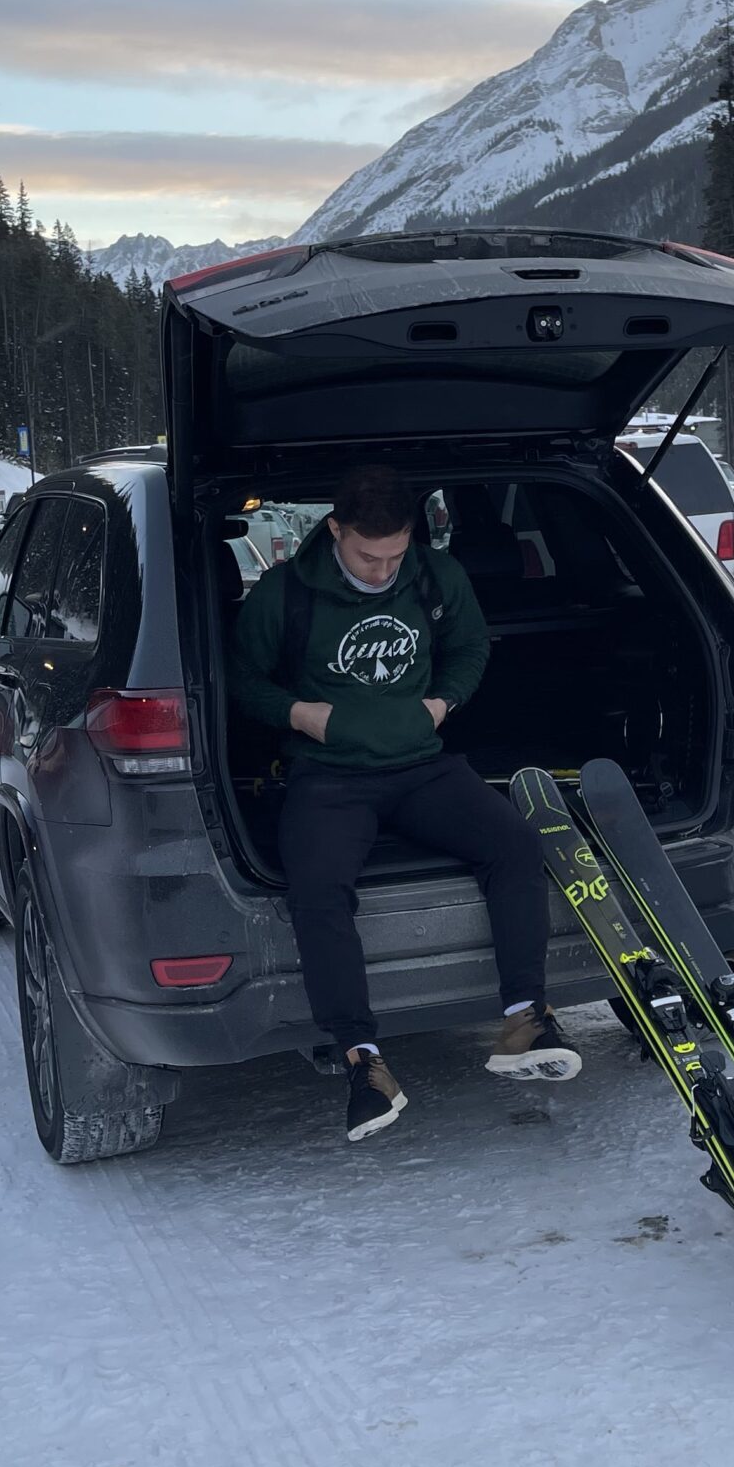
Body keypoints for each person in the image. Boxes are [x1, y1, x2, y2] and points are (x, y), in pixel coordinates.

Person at [230, 462, 581, 1142]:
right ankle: (363, 1061)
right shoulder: (285, 593)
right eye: (369, 554)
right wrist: (300, 714)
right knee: (318, 888)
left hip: (422, 767)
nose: (384, 567)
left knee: (512, 844)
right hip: (328, 777)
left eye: (395, 553)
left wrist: (443, 700)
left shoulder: (434, 576)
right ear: (335, 530)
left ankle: (523, 1021)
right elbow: (241, 678)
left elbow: (472, 645)